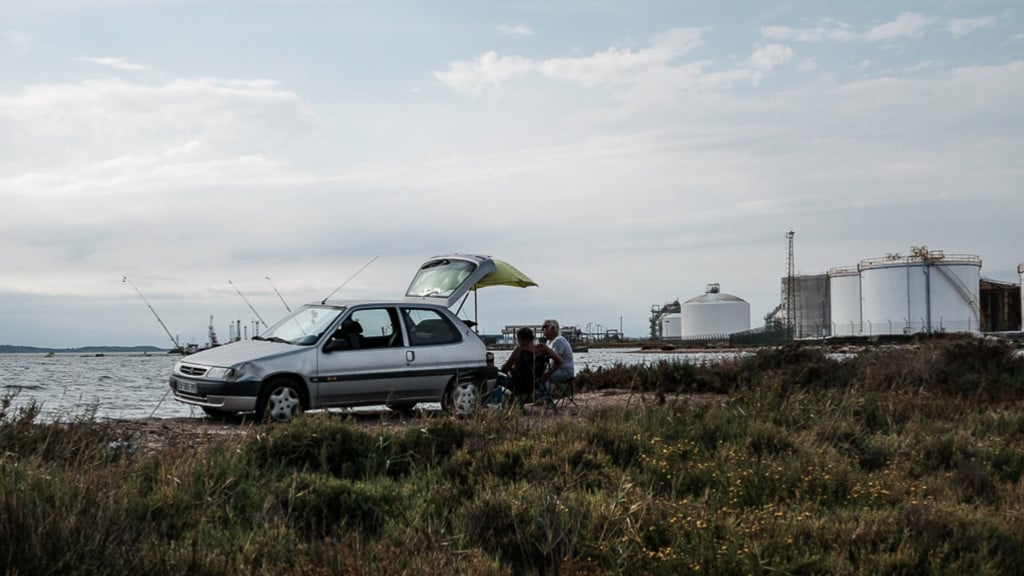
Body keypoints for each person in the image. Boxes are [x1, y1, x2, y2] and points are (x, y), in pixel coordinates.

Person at [493, 326, 562, 407]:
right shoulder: (543, 348)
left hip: (518, 385)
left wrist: (506, 367)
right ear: (532, 337)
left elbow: (505, 369)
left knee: (495, 378)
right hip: (536, 384)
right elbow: (559, 361)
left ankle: (494, 405)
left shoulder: (519, 350)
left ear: (520, 339)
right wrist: (548, 374)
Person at [539, 319, 574, 387]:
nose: (542, 330)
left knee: (540, 377)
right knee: (538, 375)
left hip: (565, 372)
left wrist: (547, 373)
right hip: (559, 370)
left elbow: (556, 362)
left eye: (544, 327)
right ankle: (544, 395)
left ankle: (545, 396)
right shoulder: (549, 342)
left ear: (552, 328)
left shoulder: (558, 341)